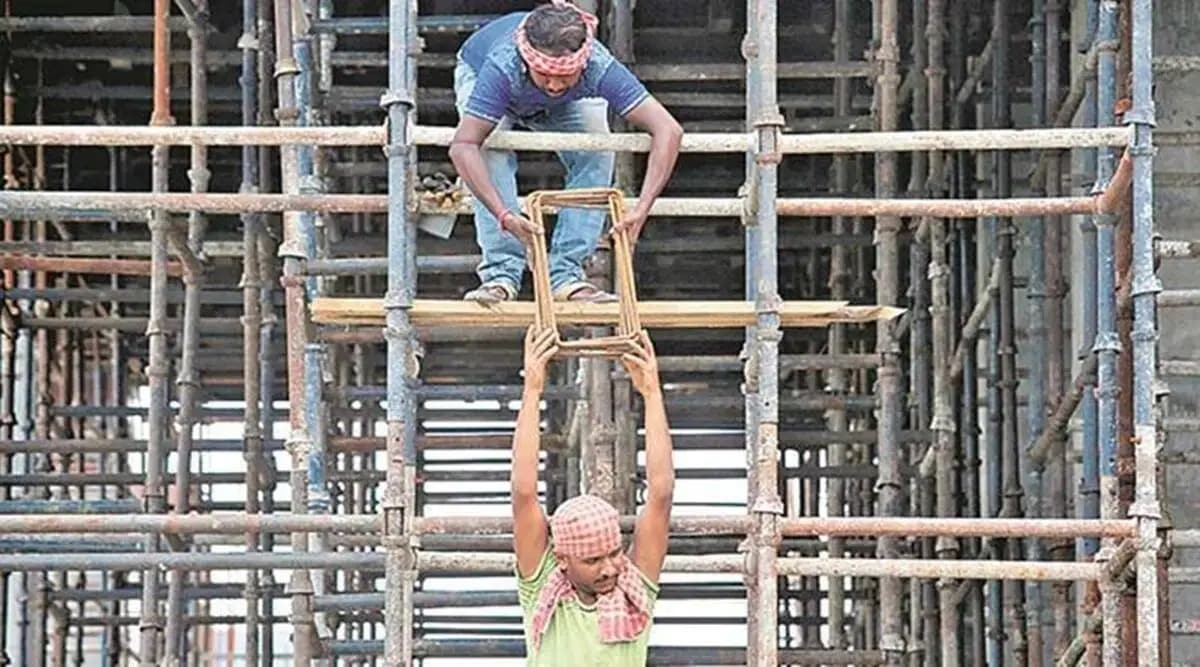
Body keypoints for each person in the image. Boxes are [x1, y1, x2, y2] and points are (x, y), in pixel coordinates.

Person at [449, 0, 684, 304]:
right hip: (482, 74)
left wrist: (641, 210)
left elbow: (668, 129)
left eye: (565, 75)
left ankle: (567, 275)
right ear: (527, 59)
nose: (554, 84)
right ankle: (501, 275)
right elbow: (464, 145)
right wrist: (504, 215)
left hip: (561, 102)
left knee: (597, 147)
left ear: (583, 63)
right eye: (544, 73)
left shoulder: (598, 64)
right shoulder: (502, 65)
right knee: (489, 148)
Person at [511, 327, 675, 665]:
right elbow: (524, 492)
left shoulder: (633, 589)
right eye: (592, 560)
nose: (610, 568)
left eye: (614, 553)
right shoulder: (544, 590)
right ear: (563, 559)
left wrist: (652, 393)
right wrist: (533, 389)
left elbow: (660, 494)